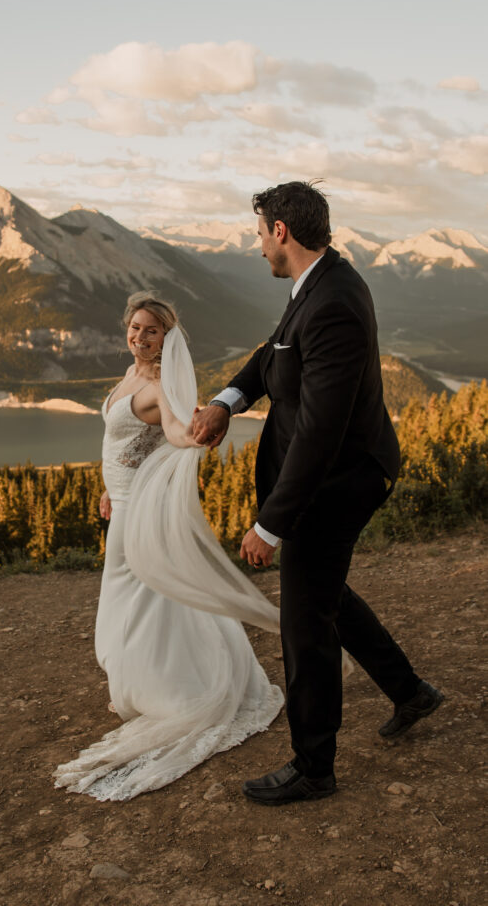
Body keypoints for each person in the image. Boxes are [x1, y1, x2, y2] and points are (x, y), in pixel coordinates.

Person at [193, 181, 444, 806]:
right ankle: (410, 692)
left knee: (304, 615)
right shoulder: (317, 281)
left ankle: (314, 765)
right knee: (323, 591)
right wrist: (229, 402)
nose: (258, 249)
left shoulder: (331, 299)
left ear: (281, 231)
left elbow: (321, 431)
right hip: (336, 469)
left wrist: (272, 524)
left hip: (342, 476)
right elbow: (272, 355)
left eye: (259, 235)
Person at [53, 292, 284, 801]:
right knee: (137, 595)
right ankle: (153, 680)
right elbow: (122, 443)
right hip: (124, 502)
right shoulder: (131, 378)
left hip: (142, 513)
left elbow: (177, 433)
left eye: (151, 331)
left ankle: (166, 690)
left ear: (167, 337)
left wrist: (202, 428)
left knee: (146, 596)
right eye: (134, 328)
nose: (140, 337)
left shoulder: (159, 386)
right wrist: (108, 486)